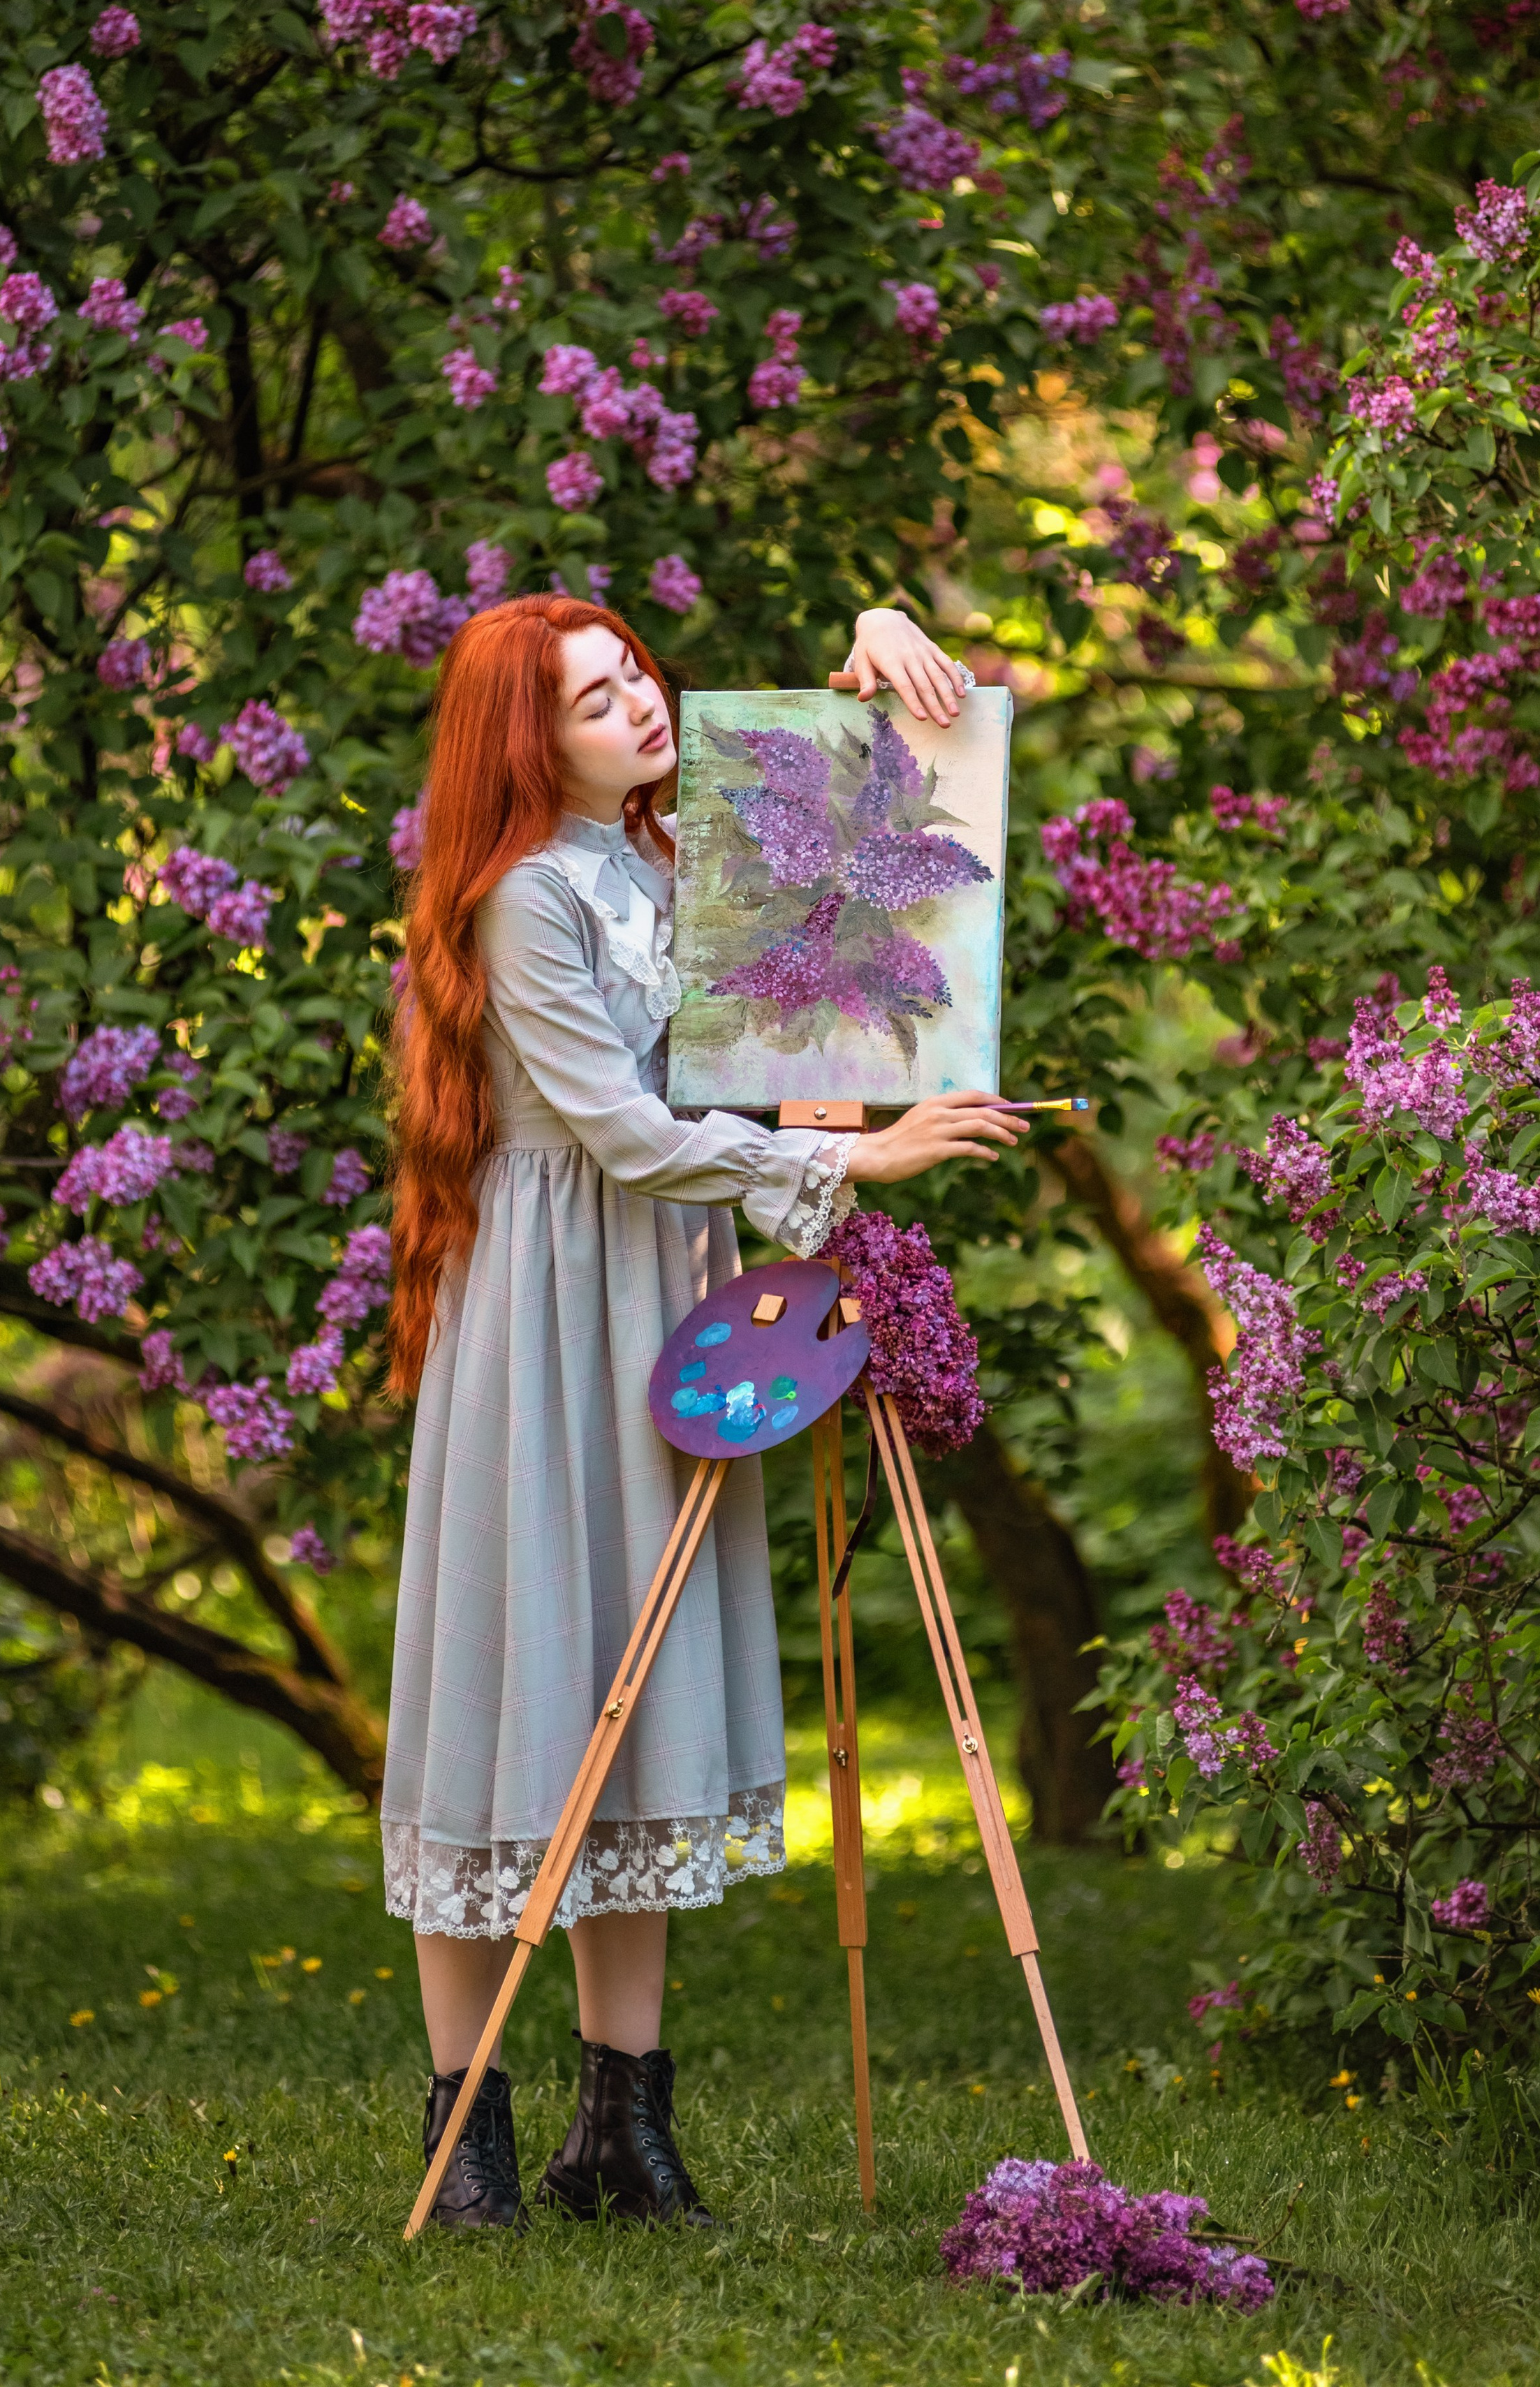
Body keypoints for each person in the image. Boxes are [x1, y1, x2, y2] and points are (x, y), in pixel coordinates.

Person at [383, 594, 1025, 2230]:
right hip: (547, 1307)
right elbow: (612, 1128)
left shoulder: (678, 859)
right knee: (515, 1695)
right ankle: (469, 2142)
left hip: (662, 1294)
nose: (640, 709)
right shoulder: (525, 897)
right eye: (595, 702)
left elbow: (848, 850)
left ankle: (626, 2125)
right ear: (530, 742)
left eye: (635, 677)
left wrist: (877, 648)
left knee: (635, 1682)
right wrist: (848, 1161)